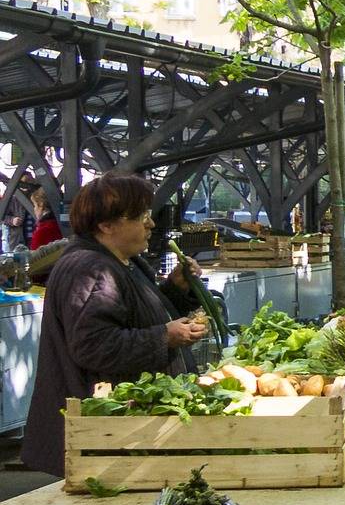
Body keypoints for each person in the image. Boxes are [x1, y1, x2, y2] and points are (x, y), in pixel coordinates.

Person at [24, 174, 208, 475]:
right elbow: (94, 347)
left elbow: (136, 313)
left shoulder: (121, 261)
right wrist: (164, 336)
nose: (150, 224)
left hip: (118, 433)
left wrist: (176, 288)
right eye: (140, 217)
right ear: (106, 226)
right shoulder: (91, 269)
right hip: (101, 436)